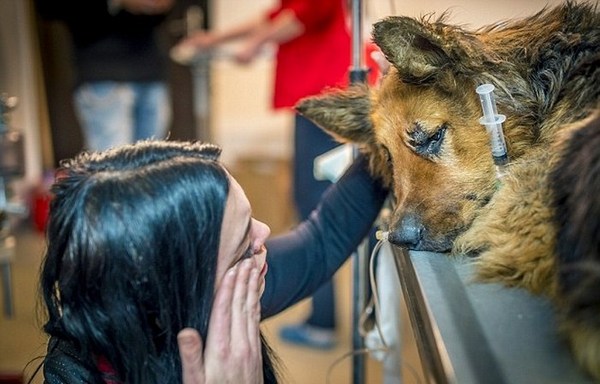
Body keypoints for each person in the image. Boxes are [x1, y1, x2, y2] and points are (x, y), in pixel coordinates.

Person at [38, 139, 388, 383]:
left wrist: (390, 131)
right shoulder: (74, 374)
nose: (264, 231)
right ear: (183, 286)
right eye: (241, 244)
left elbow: (321, 241)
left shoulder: (219, 294)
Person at [172, 0, 351, 349]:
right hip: (320, 97)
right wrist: (217, 38)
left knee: (313, 204)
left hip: (326, 96)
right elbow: (275, 18)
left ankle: (322, 322)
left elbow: (297, 18)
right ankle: (335, 316)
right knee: (312, 201)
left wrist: (253, 45)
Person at [35, 0, 174, 151]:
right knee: (111, 164)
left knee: (153, 163)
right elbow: (48, 8)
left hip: (149, 69)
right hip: (102, 70)